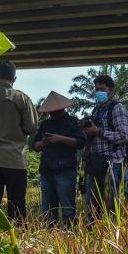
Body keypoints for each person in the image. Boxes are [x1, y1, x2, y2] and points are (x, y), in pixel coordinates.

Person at [0, 61, 38, 223]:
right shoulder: (22, 98)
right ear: (14, 78)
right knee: (17, 205)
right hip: (15, 159)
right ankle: (17, 238)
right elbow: (31, 128)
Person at [31, 91, 85, 227]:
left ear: (62, 108)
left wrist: (60, 139)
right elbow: (35, 146)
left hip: (65, 170)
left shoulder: (73, 122)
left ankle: (70, 235)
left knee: (68, 207)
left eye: (54, 111)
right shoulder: (45, 124)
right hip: (47, 170)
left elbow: (80, 143)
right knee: (48, 209)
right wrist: (44, 142)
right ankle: (51, 236)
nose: (52, 113)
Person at [81, 75, 128, 220]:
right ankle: (94, 235)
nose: (98, 92)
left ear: (111, 91)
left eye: (102, 89)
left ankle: (113, 234)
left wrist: (99, 132)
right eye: (96, 89)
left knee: (111, 204)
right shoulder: (97, 111)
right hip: (96, 161)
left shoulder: (117, 108)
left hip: (113, 163)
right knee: (93, 204)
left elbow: (123, 136)